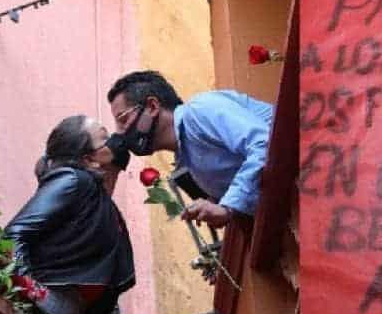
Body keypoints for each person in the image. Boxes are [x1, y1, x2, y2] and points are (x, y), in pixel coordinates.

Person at [4, 114, 134, 314]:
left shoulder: (93, 193)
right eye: (105, 140)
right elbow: (12, 234)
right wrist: (32, 291)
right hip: (46, 312)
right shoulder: (72, 179)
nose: (112, 144)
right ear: (89, 159)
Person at [107, 70, 274, 228]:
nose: (120, 133)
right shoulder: (185, 158)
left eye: (123, 119)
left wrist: (228, 207)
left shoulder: (199, 111)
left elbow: (264, 143)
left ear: (152, 107)